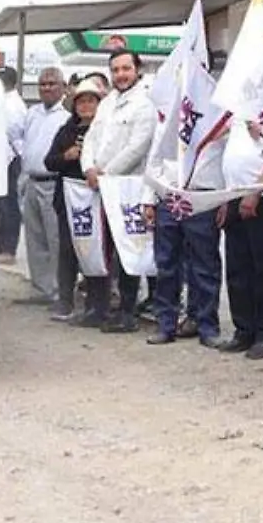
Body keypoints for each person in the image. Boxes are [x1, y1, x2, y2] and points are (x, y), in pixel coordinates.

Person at [82, 51, 156, 333]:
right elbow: (91, 138)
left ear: (137, 70)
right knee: (106, 250)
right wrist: (89, 167)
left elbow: (138, 147)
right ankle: (103, 308)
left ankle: (128, 312)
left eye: (126, 68)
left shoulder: (144, 104)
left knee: (129, 250)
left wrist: (106, 174)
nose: (121, 74)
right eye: (116, 69)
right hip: (100, 186)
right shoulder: (108, 103)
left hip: (128, 186)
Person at [220, 114, 263, 360]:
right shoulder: (239, 109)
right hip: (235, 193)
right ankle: (244, 329)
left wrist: (255, 191)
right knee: (238, 267)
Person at [43, 80, 104, 323]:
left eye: (91, 100)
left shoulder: (105, 129)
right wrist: (66, 156)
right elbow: (49, 161)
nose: (86, 105)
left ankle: (96, 304)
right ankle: (65, 300)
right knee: (67, 250)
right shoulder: (66, 130)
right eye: (81, 101)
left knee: (95, 250)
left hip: (96, 198)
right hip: (68, 198)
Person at [12, 67, 69, 308]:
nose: (46, 88)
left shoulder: (66, 116)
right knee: (34, 239)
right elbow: (16, 136)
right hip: (32, 182)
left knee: (55, 238)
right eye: (43, 84)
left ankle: (59, 291)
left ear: (63, 87)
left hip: (53, 183)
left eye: (52, 84)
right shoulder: (32, 113)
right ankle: (43, 288)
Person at [0, 66, 26, 262]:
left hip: (11, 158)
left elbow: (14, 133)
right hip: (1, 159)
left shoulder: (12, 104)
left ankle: (8, 248)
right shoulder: (2, 101)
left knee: (9, 204)